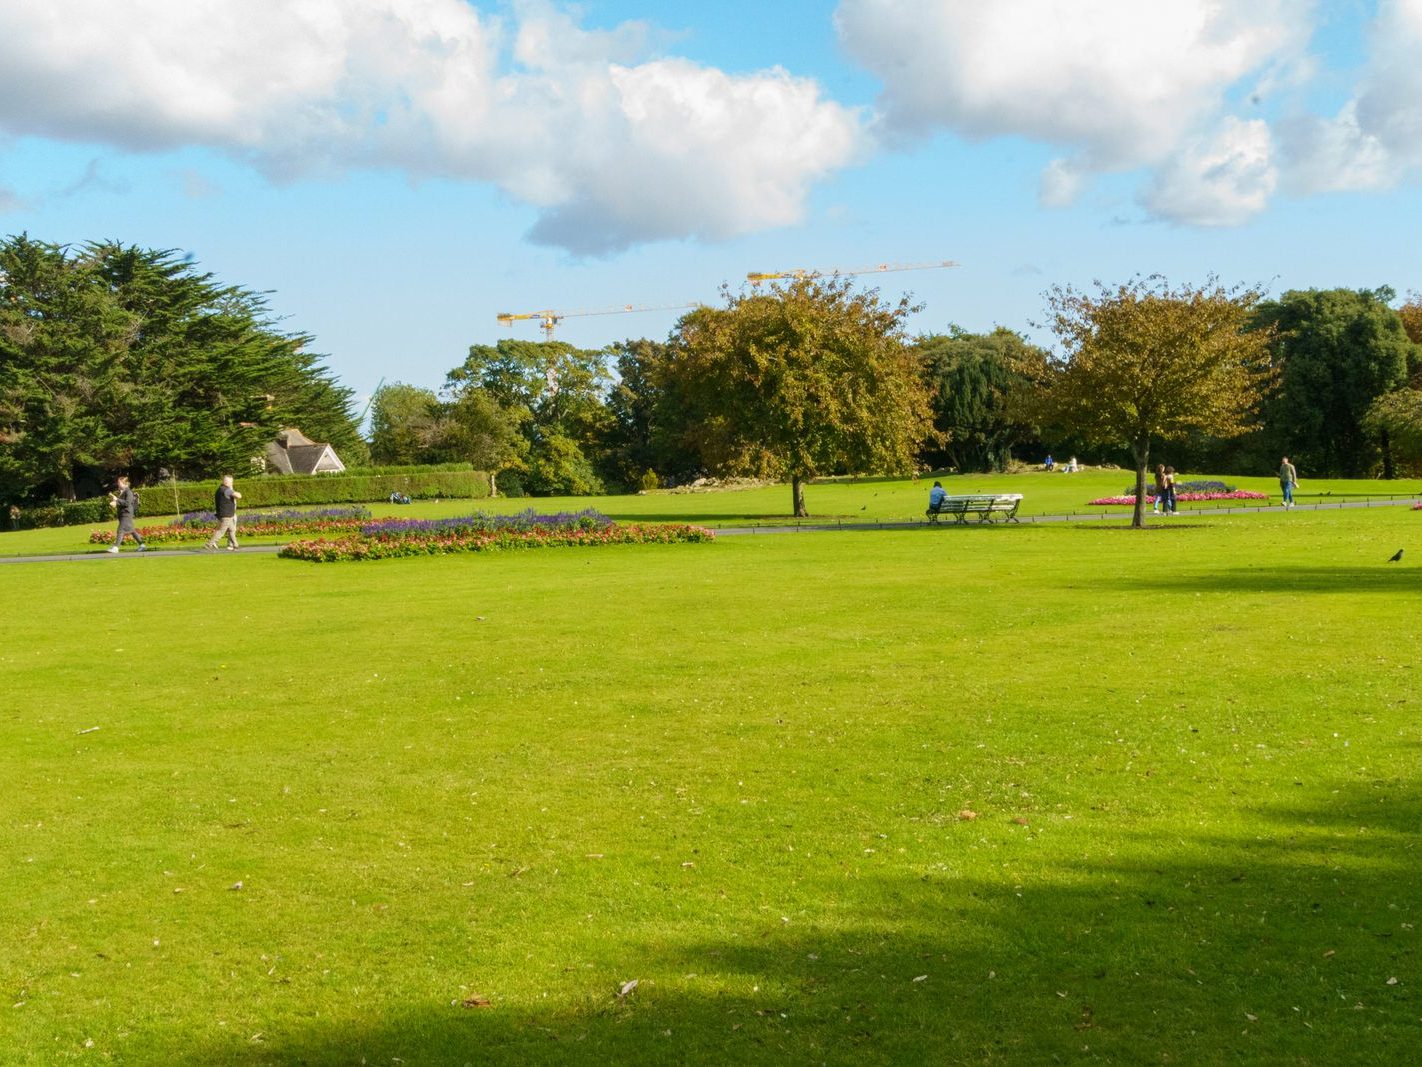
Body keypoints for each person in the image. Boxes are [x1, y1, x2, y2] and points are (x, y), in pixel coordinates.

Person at [106, 476, 146, 553]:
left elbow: (127, 503)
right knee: (132, 530)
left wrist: (117, 500)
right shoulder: (124, 492)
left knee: (120, 530)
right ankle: (142, 545)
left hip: (126, 514)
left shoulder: (128, 492)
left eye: (119, 483)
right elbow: (122, 502)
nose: (118, 484)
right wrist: (115, 501)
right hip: (124, 514)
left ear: (124, 483)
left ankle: (116, 548)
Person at [204, 474, 242, 551]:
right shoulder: (227, 490)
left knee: (232, 530)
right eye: (231, 482)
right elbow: (239, 496)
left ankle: (235, 545)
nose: (232, 484)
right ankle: (209, 544)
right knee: (221, 531)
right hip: (226, 515)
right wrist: (232, 489)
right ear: (227, 482)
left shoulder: (219, 489)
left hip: (225, 514)